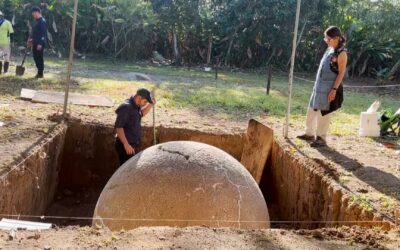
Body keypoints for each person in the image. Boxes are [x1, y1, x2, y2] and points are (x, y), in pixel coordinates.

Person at [297, 26, 348, 147]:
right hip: (318, 86)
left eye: (328, 39)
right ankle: (309, 133)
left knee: (323, 113)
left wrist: (334, 89)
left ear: (336, 38)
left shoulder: (342, 53)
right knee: (311, 109)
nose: (326, 41)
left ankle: (321, 138)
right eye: (325, 38)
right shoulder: (330, 49)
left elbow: (341, 73)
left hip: (329, 87)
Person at [114, 88, 156, 165]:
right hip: (125, 146)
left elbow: (141, 114)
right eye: (145, 101)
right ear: (139, 98)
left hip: (132, 144)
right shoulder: (126, 107)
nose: (145, 103)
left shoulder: (136, 106)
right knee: (127, 171)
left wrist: (150, 105)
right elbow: (119, 128)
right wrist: (126, 145)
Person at [27, 6, 47, 78]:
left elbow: (43, 33)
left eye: (34, 14)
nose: (33, 16)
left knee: (39, 57)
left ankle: (40, 73)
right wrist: (31, 40)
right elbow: (36, 33)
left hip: (39, 44)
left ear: (37, 12)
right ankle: (39, 72)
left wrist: (40, 43)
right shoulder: (37, 21)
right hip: (35, 42)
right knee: (36, 57)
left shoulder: (42, 21)